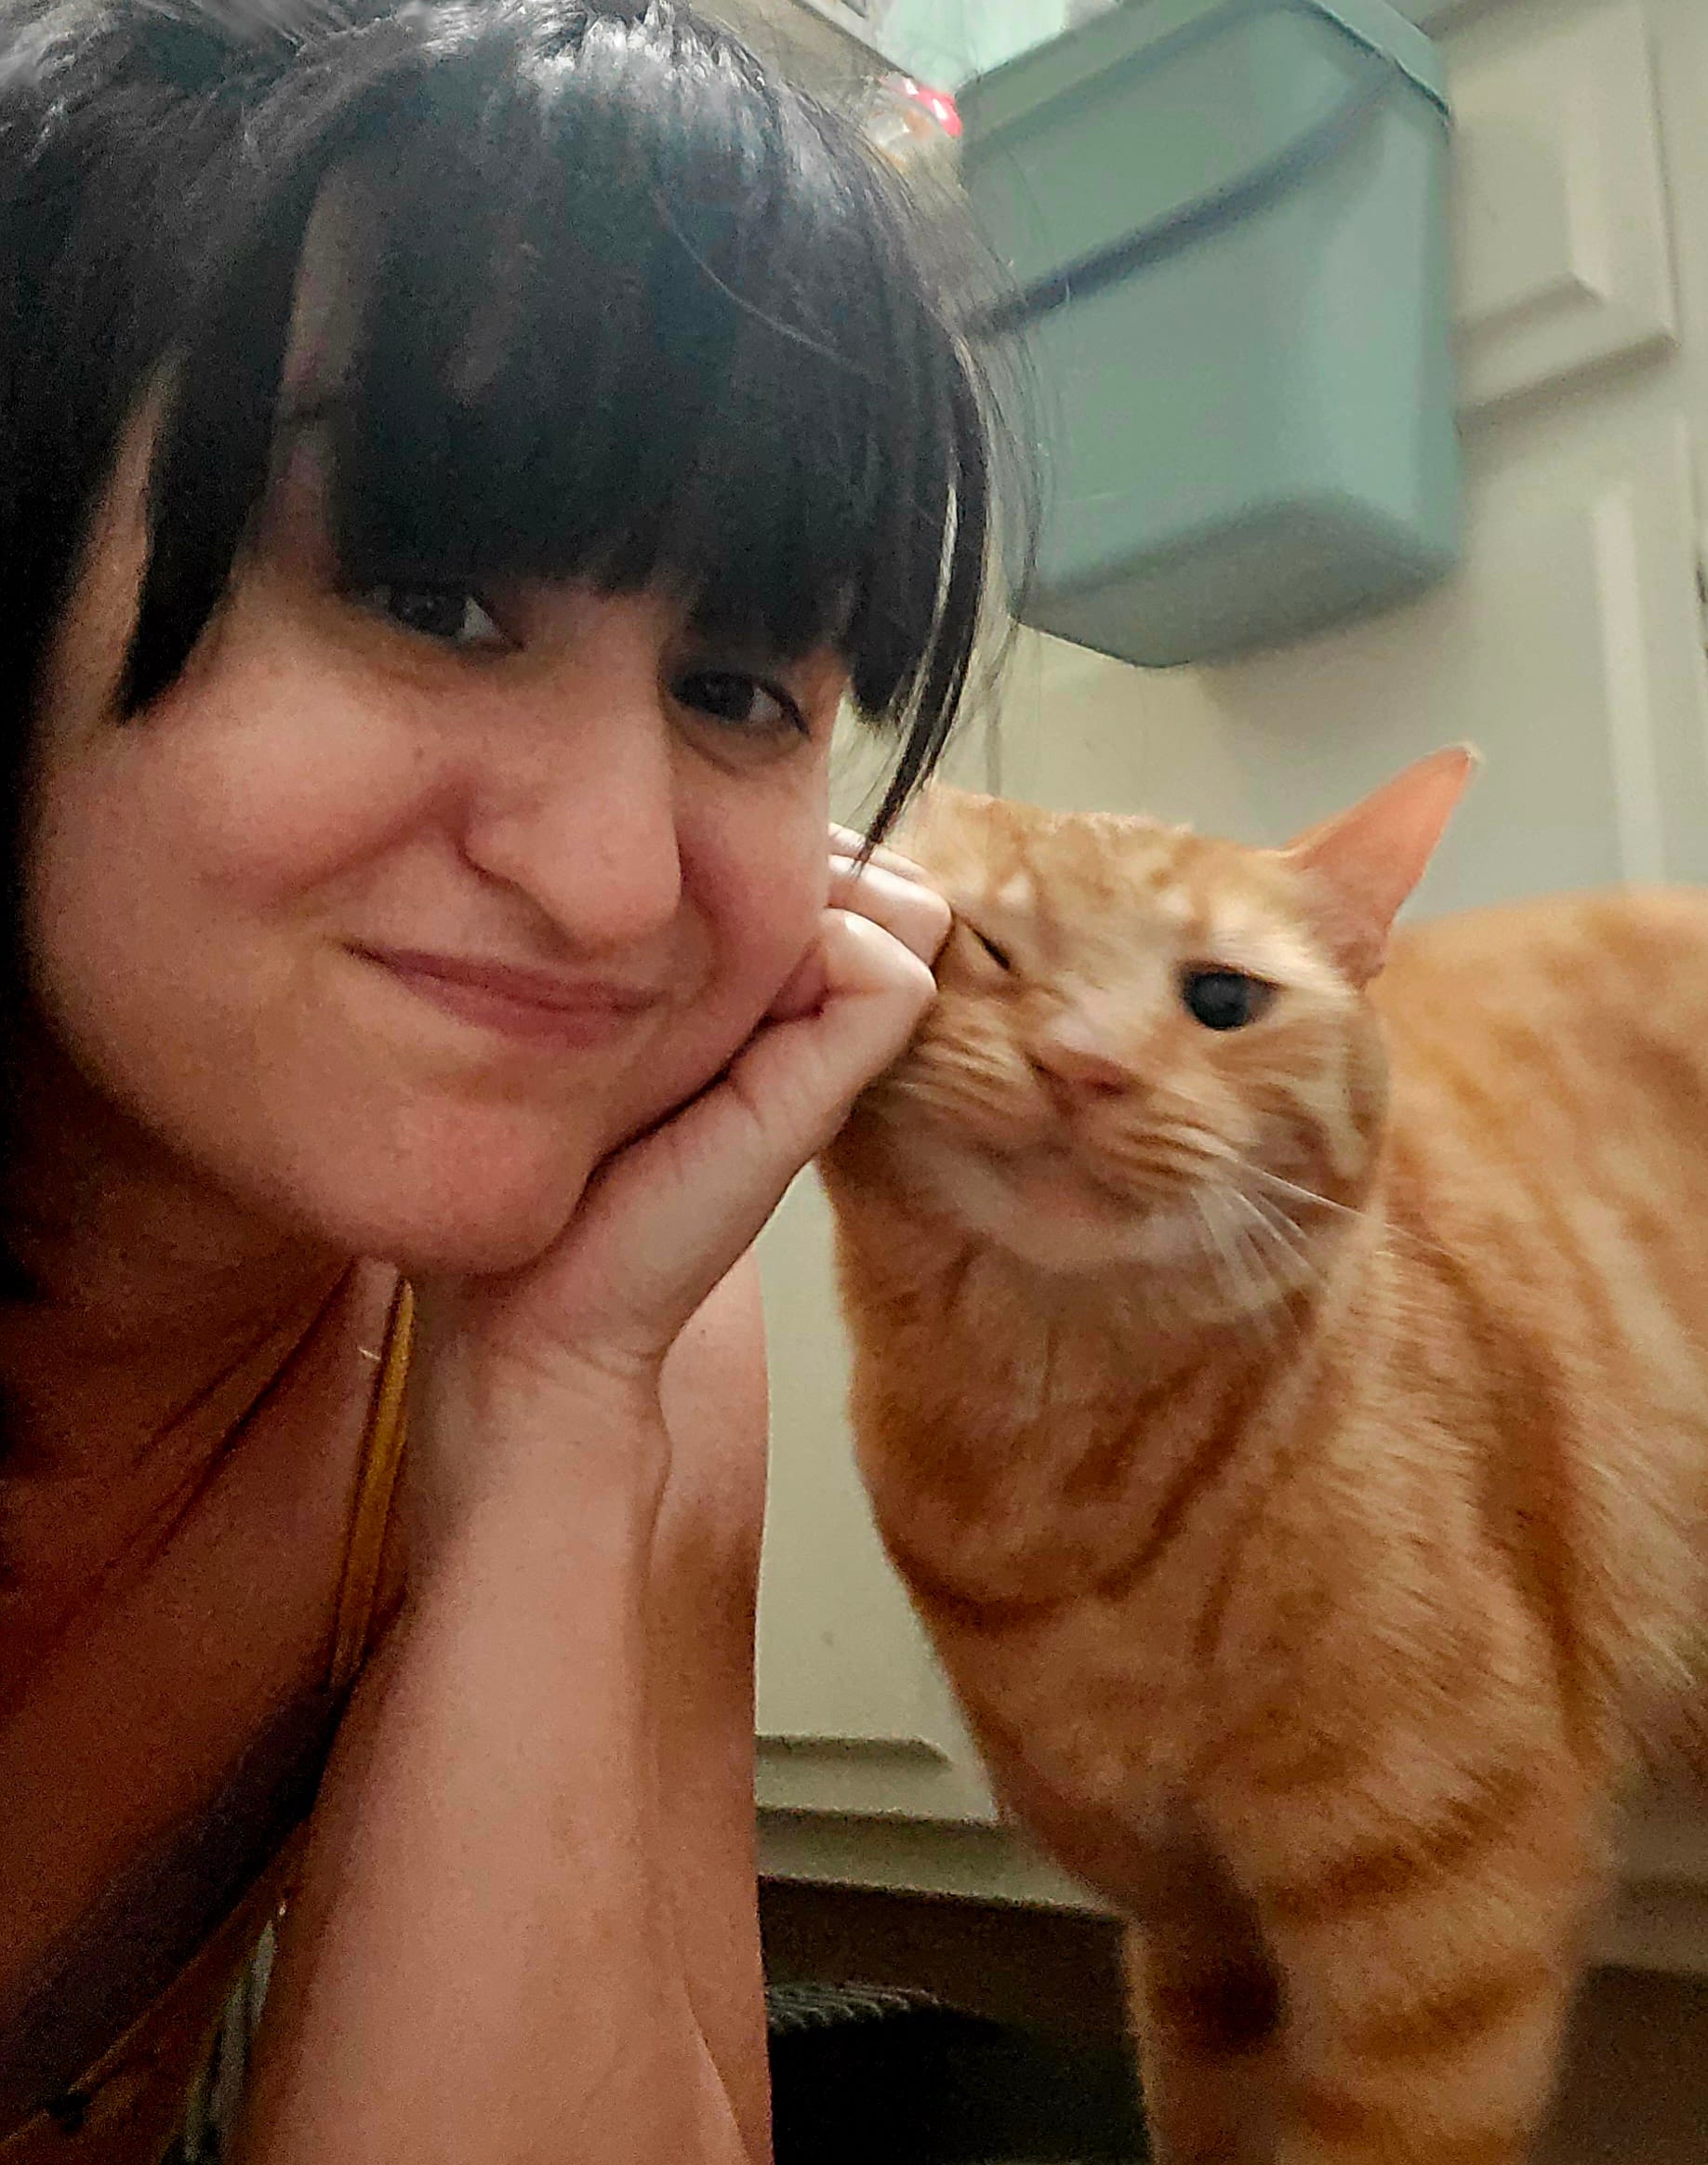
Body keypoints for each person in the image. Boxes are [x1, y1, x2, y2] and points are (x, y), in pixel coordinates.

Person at [0, 0, 1005, 2157]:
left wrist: (554, 1425)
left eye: (740, 687)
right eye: (431, 596)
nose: (616, 879)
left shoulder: (620, 1326)